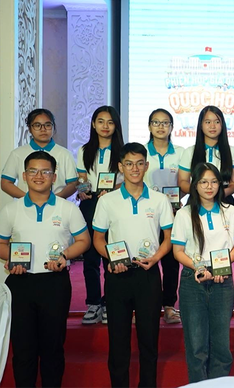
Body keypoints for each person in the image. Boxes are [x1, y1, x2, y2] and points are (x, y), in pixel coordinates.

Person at [0, 151, 90, 388]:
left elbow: (84, 241)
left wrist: (64, 256)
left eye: (45, 172)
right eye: (33, 171)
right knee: (23, 348)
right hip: (21, 283)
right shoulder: (11, 209)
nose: (39, 176)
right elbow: (1, 243)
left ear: (54, 176)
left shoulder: (68, 208)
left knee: (52, 347)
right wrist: (12, 259)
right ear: (24, 175)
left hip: (55, 283)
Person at [91, 142, 174, 388]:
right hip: (118, 276)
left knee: (149, 341)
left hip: (148, 276)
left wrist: (156, 258)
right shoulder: (108, 201)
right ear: (120, 166)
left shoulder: (160, 200)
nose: (134, 168)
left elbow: (168, 239)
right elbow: (98, 239)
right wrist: (111, 259)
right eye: (129, 163)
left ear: (146, 166)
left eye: (139, 163)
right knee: (118, 342)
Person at [171, 162, 234, 383]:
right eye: (203, 182)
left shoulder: (230, 211)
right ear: (194, 185)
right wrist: (200, 267)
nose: (209, 186)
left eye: (213, 181)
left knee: (221, 346)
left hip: (223, 281)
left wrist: (220, 268)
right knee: (196, 345)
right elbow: (178, 251)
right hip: (193, 281)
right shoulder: (184, 214)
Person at [76, 105, 125, 325]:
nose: (105, 126)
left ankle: (109, 302)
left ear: (116, 125)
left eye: (110, 122)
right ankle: (93, 302)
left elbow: (128, 179)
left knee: (111, 253)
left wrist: (113, 190)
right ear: (94, 124)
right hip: (91, 203)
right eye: (101, 121)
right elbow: (81, 178)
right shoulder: (84, 150)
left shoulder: (123, 152)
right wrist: (82, 189)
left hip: (114, 204)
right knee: (90, 257)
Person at [144, 108, 186, 324]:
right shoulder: (141, 152)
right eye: (156, 122)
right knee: (145, 254)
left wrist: (178, 198)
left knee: (170, 261)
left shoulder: (181, 152)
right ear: (149, 126)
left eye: (165, 123)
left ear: (171, 127)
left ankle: (169, 305)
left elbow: (186, 182)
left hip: (174, 213)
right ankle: (143, 306)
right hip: (145, 214)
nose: (161, 127)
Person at [2, 109, 78, 199]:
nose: (43, 129)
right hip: (26, 207)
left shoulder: (65, 154)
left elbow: (73, 184)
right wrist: (29, 199)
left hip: (57, 206)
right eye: (37, 125)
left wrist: (55, 199)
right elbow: (5, 183)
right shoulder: (17, 154)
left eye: (48, 125)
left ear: (54, 127)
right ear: (30, 128)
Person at [178, 106, 234, 202]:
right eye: (208, 122)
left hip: (224, 200)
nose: (212, 126)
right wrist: (201, 193)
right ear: (201, 125)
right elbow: (182, 182)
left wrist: (219, 194)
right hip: (197, 202)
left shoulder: (232, 151)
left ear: (222, 125)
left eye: (217, 122)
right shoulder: (190, 151)